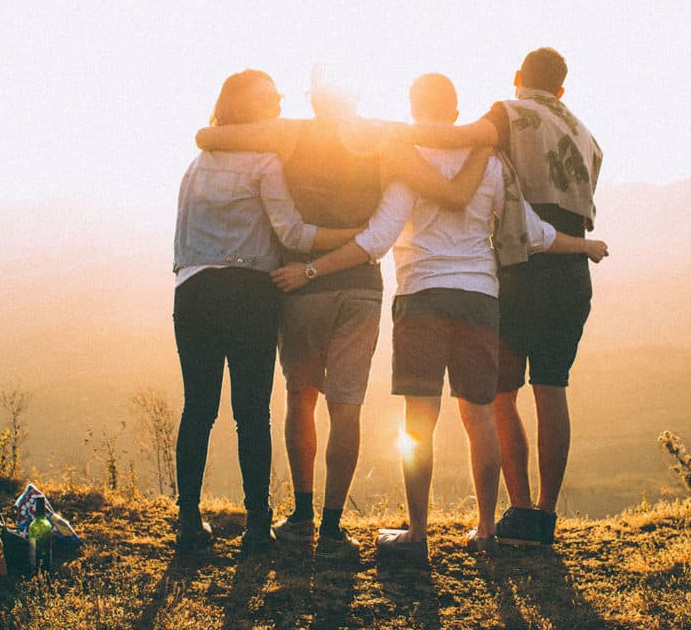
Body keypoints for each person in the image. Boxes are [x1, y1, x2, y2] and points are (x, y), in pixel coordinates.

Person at [273, 73, 607, 558]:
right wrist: (585, 246)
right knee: (480, 418)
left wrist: (311, 269)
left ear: (414, 107)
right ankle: (487, 530)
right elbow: (533, 232)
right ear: (455, 112)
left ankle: (417, 535)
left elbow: (377, 239)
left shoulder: (408, 159)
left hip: (422, 297)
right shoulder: (491, 162)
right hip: (480, 300)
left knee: (419, 421)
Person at [193, 68, 490, 557]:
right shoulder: (385, 138)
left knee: (300, 397)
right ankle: (332, 529)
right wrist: (484, 143)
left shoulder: (290, 133)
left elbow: (210, 136)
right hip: (360, 288)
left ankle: (302, 514)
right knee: (346, 406)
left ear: (314, 99)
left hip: (299, 286)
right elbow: (446, 191)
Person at [399, 48, 605, 546]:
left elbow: (455, 139)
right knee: (552, 389)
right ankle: (546, 517)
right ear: (561, 89)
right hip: (571, 269)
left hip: (521, 267)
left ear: (518, 78)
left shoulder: (507, 113)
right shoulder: (585, 134)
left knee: (501, 395)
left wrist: (388, 137)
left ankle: (518, 510)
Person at [173, 69, 362, 557]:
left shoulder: (197, 164)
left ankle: (189, 522)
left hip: (192, 291)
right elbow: (294, 235)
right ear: (249, 109)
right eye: (269, 98)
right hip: (248, 294)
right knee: (251, 412)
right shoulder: (265, 161)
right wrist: (353, 237)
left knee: (198, 409)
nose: (278, 102)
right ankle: (257, 526)